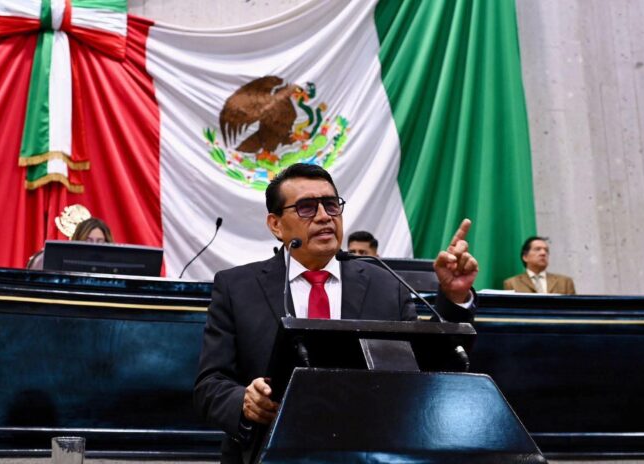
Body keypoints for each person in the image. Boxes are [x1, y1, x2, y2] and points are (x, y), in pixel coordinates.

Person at [193, 163, 478, 463]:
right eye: (306, 208)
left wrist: (453, 298)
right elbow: (209, 385)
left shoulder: (386, 284)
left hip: (369, 452)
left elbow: (425, 372)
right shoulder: (237, 287)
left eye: (331, 205)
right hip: (270, 452)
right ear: (276, 225)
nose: (323, 216)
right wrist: (245, 401)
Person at [503, 236, 575, 294]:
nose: (543, 253)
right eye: (537, 249)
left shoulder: (565, 282)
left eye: (546, 250)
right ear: (525, 257)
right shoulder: (512, 283)